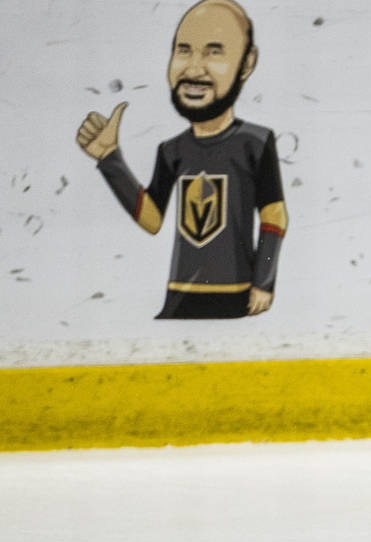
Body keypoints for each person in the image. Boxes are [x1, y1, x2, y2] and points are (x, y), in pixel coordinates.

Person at [75, 0, 287, 319]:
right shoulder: (171, 150)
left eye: (214, 52)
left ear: (246, 63)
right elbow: (152, 219)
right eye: (183, 49)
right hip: (179, 296)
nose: (193, 68)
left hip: (236, 296)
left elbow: (275, 216)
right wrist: (109, 159)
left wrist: (264, 282)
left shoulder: (255, 142)